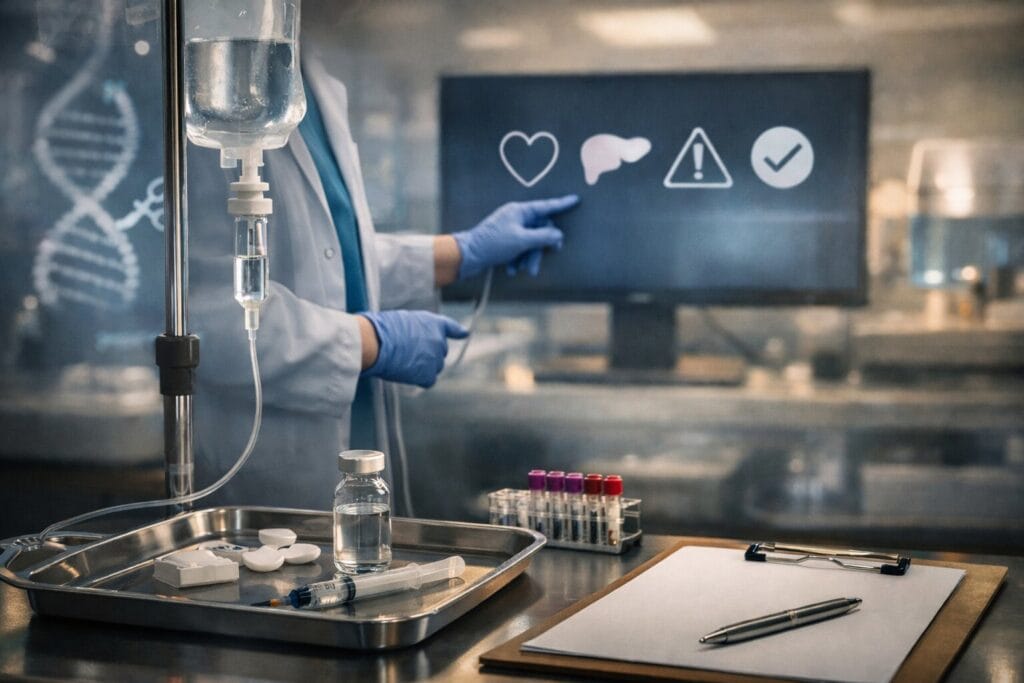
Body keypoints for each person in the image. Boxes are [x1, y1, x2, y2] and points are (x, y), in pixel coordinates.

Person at [189, 54, 577, 510]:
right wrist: (372, 342)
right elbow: (208, 316)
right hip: (265, 477)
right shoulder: (208, 91)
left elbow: (332, 258)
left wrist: (459, 253)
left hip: (355, 443)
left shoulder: (313, 76)